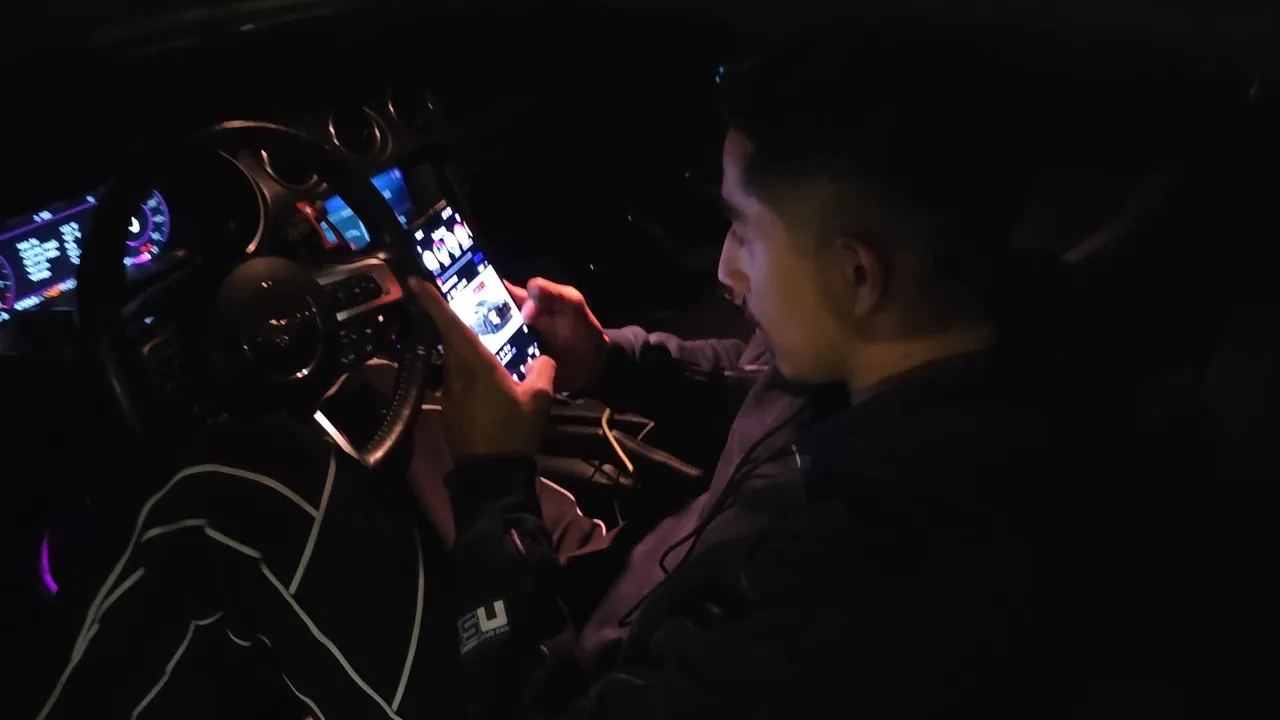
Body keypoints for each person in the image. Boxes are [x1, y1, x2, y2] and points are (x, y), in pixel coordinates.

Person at [31, 47, 1094, 720]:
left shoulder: (890, 569)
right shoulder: (932, 355)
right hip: (627, 601)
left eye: (744, 231)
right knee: (380, 426)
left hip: (551, 683)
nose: (727, 273)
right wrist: (608, 356)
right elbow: (753, 382)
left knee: (226, 499)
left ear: (858, 275)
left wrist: (495, 484)